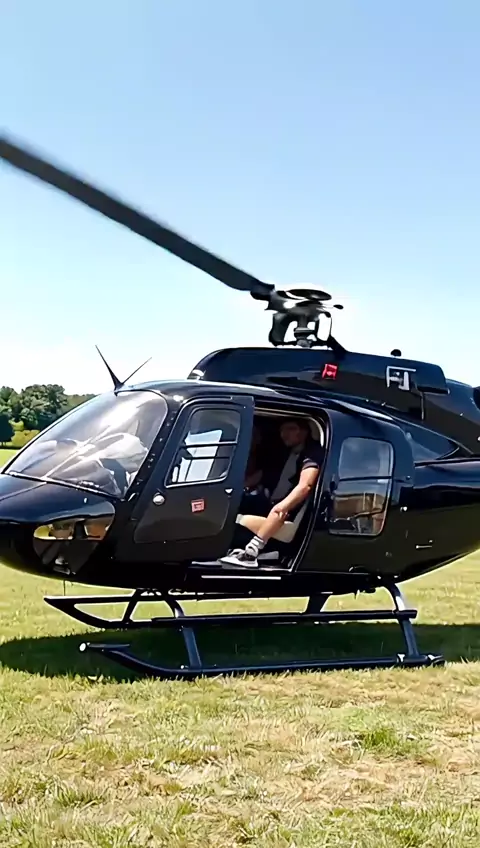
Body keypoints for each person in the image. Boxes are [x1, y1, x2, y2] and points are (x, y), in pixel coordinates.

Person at [220, 417, 324, 568]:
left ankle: (251, 552)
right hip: (268, 503)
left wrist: (282, 507)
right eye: (282, 430)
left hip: (285, 512)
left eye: (291, 429)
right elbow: (263, 474)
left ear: (304, 432)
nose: (284, 434)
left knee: (234, 521)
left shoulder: (312, 454)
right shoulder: (285, 453)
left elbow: (305, 486)